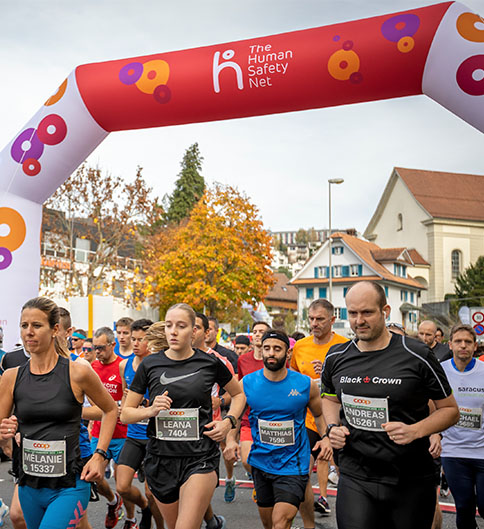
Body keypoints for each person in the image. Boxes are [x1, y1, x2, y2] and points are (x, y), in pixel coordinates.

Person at [321, 281, 459, 529]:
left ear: (385, 311)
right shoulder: (336, 356)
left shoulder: (417, 355)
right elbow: (329, 398)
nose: (359, 320)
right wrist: (332, 427)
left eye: (367, 312)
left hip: (410, 478)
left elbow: (450, 411)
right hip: (356, 474)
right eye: (353, 313)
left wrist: (416, 430)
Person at [121, 303, 246, 529]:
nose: (174, 331)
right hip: (161, 459)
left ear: (194, 331)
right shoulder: (150, 364)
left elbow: (238, 395)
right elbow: (126, 414)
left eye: (181, 326)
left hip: (199, 457)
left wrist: (229, 422)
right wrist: (150, 410)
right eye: (169, 325)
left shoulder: (209, 362)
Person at [0, 297, 117, 529]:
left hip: (70, 485)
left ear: (55, 329)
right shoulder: (11, 377)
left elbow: (110, 409)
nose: (29, 332)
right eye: (24, 326)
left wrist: (100, 455)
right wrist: (5, 434)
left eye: (37, 325)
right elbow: (1, 430)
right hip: (29, 485)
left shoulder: (77, 372)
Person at [225, 330, 332, 529]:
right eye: (267, 349)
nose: (271, 353)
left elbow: (318, 415)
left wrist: (326, 437)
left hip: (294, 465)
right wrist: (231, 440)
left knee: (281, 522)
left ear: (288, 353)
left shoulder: (304, 384)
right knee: (269, 523)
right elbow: (236, 417)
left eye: (277, 349)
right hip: (261, 462)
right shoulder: (247, 383)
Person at [290, 299, 348, 520]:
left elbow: (352, 383)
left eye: (320, 319)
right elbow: (293, 377)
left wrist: (326, 373)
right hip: (308, 418)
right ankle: (309, 522)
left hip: (338, 418)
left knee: (346, 473)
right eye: (311, 319)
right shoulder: (301, 346)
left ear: (332, 320)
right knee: (302, 471)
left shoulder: (344, 346)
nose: (314, 323)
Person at [116, 319, 164, 529]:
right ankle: (144, 508)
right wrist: (126, 406)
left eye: (140, 340)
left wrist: (147, 404)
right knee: (122, 486)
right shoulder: (124, 365)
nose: (135, 344)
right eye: (133, 339)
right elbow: (126, 403)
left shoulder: (159, 365)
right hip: (134, 435)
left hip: (155, 436)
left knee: (152, 493)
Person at [441, 324, 484, 529]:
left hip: (482, 450)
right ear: (450, 345)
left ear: (475, 346)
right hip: (453, 451)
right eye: (458, 341)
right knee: (464, 507)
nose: (463, 346)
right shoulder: (441, 371)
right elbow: (432, 406)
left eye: (468, 342)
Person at [193, 312, 236, 505]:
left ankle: (229, 477)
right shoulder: (172, 358)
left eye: (196, 327)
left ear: (207, 332)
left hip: (212, 422)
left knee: (224, 452)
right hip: (184, 426)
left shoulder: (219, 360)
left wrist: (220, 400)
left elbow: (235, 393)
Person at [90, 327, 129, 528]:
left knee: (124, 485)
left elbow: (128, 396)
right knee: (94, 476)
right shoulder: (92, 367)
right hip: (99, 431)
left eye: (101, 348)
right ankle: (114, 503)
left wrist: (124, 407)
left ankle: (131, 517)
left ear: (112, 345)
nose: (97, 352)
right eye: (95, 348)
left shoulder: (123, 365)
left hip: (122, 433)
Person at [237, 321, 271, 477]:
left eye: (262, 331)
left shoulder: (274, 359)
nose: (257, 334)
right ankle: (258, 480)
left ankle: (263, 484)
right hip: (249, 419)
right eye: (255, 331)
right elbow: (240, 390)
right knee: (246, 460)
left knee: (267, 460)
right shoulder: (243, 360)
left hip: (271, 418)